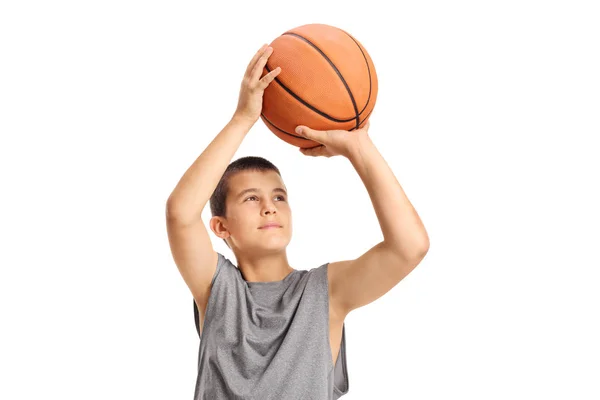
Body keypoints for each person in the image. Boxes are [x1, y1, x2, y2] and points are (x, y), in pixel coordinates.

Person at [166, 44, 430, 400]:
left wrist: (359, 147)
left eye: (279, 197)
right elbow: (180, 213)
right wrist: (243, 118)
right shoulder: (217, 290)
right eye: (251, 199)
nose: (270, 207)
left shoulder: (326, 292)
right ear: (221, 227)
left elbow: (410, 246)